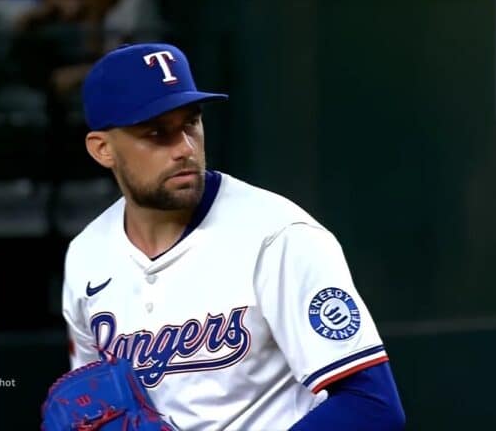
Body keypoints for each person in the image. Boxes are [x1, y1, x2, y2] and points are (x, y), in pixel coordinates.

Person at [61, 42, 406, 430]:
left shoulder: (279, 237)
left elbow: (371, 406)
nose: (184, 149)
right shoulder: (86, 256)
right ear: (102, 149)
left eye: (191, 123)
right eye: (157, 133)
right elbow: (97, 408)